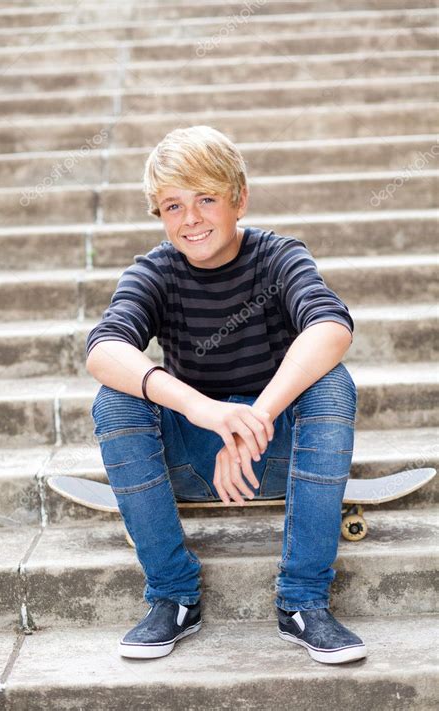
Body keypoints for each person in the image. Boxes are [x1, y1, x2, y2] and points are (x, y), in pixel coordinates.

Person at [86, 125, 367, 665]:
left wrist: (255, 417)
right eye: (173, 205)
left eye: (206, 199)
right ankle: (172, 593)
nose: (189, 219)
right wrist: (205, 410)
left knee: (332, 381)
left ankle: (304, 600)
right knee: (115, 397)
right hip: (193, 461)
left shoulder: (277, 255)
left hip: (280, 453)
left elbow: (332, 324)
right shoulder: (155, 272)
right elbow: (103, 347)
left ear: (240, 199)